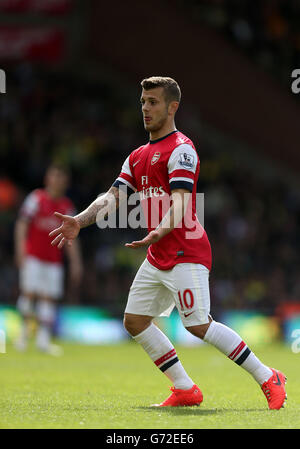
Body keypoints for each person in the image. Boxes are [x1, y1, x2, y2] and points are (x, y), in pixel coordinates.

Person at [49, 77, 287, 409]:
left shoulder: (182, 150)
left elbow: (180, 203)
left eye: (153, 102)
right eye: (143, 102)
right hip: (158, 253)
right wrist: (80, 220)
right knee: (134, 321)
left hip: (185, 251)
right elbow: (112, 197)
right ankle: (185, 388)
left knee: (198, 324)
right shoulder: (137, 156)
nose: (145, 108)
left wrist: (158, 231)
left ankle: (268, 376)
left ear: (172, 107)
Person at [15, 164, 83, 355]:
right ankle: (23, 335)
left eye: (61, 177)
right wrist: (20, 249)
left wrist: (76, 262)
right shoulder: (36, 199)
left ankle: (43, 340)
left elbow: (72, 237)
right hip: (34, 256)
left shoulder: (67, 206)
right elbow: (22, 224)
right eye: (54, 176)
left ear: (65, 182)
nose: (57, 180)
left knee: (49, 298)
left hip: (54, 260)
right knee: (29, 293)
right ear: (48, 179)